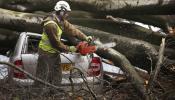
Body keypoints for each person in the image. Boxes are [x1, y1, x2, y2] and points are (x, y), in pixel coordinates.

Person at [35, 1, 92, 87]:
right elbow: (56, 44)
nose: (67, 15)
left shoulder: (60, 21)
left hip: (55, 53)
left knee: (57, 77)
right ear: (61, 11)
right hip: (46, 53)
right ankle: (39, 95)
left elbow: (72, 29)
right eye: (66, 13)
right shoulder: (51, 25)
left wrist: (85, 37)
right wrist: (70, 49)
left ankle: (55, 93)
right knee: (42, 78)